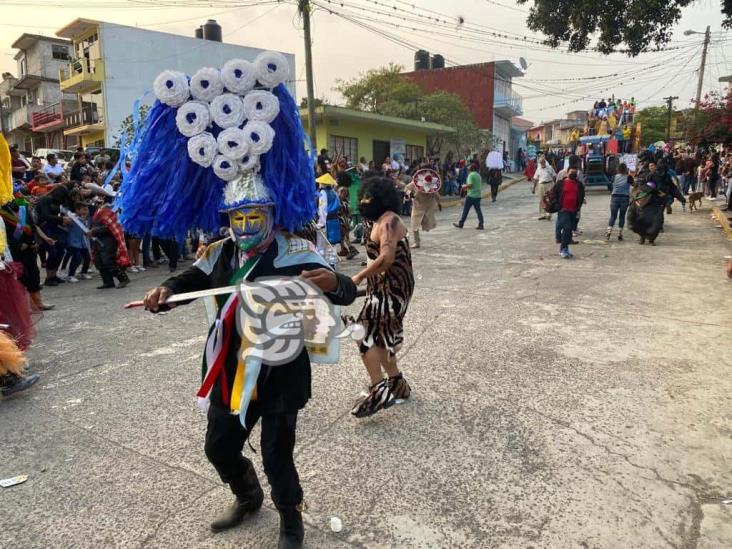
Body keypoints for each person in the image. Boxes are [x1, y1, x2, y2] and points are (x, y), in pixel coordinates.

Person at [121, 58, 358, 548]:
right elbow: (192, 279)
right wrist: (165, 293)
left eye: (255, 215)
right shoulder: (223, 252)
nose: (246, 225)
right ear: (227, 218)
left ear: (271, 213)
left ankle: (290, 517)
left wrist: (332, 283)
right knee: (219, 446)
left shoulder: (297, 253)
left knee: (278, 452)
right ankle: (246, 495)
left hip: (281, 371)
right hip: (230, 366)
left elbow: (347, 288)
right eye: (238, 217)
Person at [350, 176, 414, 417]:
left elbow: (386, 259)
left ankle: (379, 390)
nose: (364, 204)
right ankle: (397, 383)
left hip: (392, 290)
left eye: (369, 199)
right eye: (363, 199)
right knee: (381, 338)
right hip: (381, 288)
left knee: (361, 332)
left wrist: (357, 277)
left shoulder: (390, 221)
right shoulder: (379, 221)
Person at [628, 160, 686, 245]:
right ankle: (642, 237)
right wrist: (651, 189)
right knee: (644, 220)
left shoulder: (667, 177)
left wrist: (681, 198)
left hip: (659, 203)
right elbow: (642, 185)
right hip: (649, 202)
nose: (661, 171)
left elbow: (673, 189)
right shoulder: (650, 175)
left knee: (657, 222)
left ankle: (651, 239)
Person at [35, 184, 72, 286]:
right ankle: (49, 277)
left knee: (60, 252)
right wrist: (61, 219)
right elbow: (45, 215)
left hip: (56, 228)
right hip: (45, 228)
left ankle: (54, 275)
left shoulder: (58, 202)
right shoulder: (45, 200)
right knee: (52, 252)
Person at [90, 205, 130, 289]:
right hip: (98, 240)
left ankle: (123, 279)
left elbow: (108, 228)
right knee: (99, 261)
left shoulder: (109, 212)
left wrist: (93, 231)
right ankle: (108, 282)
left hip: (108, 241)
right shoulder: (97, 212)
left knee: (107, 260)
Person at [404, 168, 441, 249]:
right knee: (414, 225)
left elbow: (437, 196)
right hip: (417, 207)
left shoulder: (432, 187)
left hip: (427, 208)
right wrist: (411, 194)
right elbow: (406, 188)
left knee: (428, 222)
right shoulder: (416, 183)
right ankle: (417, 242)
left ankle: (418, 240)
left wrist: (439, 203)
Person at [554, 169, 585, 258]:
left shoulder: (579, 185)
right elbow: (554, 194)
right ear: (567, 173)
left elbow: (581, 196)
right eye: (571, 172)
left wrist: (578, 207)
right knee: (567, 228)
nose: (573, 174)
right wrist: (557, 206)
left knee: (569, 230)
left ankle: (564, 248)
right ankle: (563, 249)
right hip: (563, 210)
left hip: (573, 211)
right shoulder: (560, 183)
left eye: (575, 173)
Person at [65, 202, 93, 283]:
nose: (86, 211)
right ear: (77, 210)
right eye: (83, 209)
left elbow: (85, 230)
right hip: (73, 242)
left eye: (86, 209)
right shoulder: (72, 218)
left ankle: (83, 272)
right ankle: (70, 275)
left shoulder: (85, 219)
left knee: (87, 258)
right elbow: (66, 224)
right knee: (77, 258)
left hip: (83, 242)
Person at [606, 163, 633, 241]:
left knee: (613, 216)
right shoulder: (629, 177)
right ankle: (619, 234)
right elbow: (634, 185)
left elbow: (611, 185)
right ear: (626, 169)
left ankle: (608, 232)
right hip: (625, 198)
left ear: (618, 169)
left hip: (614, 197)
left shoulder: (614, 177)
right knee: (622, 216)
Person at [453, 165, 484, 230]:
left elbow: (470, 185)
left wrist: (464, 186)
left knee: (466, 210)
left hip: (471, 195)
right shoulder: (478, 175)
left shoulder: (471, 175)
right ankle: (481, 224)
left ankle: (461, 224)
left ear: (471, 169)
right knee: (478, 211)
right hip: (478, 195)